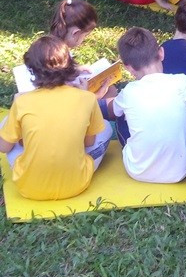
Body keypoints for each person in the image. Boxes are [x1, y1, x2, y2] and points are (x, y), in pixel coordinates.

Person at [0, 36, 112, 200]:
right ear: (70, 66)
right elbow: (88, 143)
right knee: (106, 127)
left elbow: (4, 148)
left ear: (32, 70)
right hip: (76, 184)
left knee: (5, 124)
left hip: (29, 187)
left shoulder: (22, 101)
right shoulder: (87, 98)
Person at [109, 27, 186, 183]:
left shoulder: (128, 91)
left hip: (138, 171)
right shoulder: (183, 81)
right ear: (161, 53)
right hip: (182, 171)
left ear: (128, 67)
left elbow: (112, 110)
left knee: (120, 116)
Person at [49, 0, 117, 118]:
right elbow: (66, 104)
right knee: (111, 96)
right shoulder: (58, 59)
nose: (84, 40)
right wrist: (97, 96)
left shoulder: (49, 47)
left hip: (59, 102)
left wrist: (76, 69)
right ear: (75, 33)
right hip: (64, 114)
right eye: (85, 36)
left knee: (110, 89)